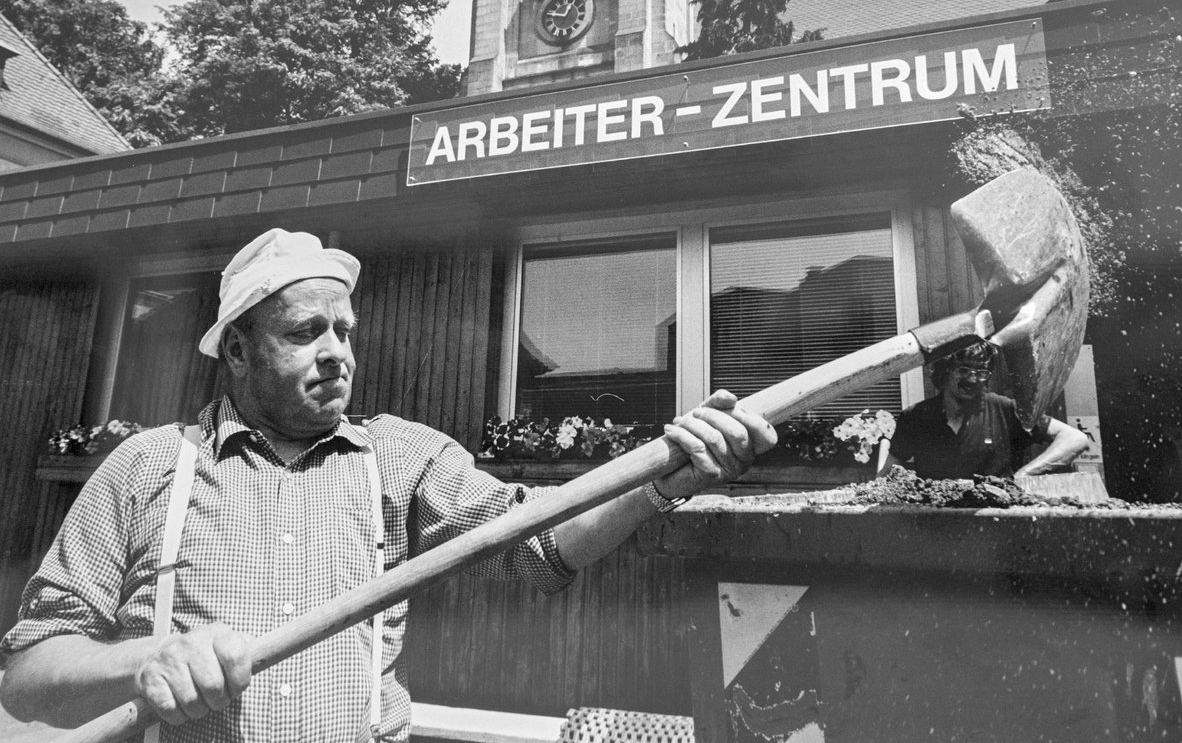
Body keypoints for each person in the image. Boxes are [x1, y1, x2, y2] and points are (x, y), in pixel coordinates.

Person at [0, 229, 777, 741]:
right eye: (305, 333)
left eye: (345, 331)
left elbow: (543, 543)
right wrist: (143, 662)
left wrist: (656, 484)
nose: (337, 352)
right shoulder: (146, 468)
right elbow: (29, 677)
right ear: (236, 350)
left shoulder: (400, 459)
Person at [882, 340, 1088, 480]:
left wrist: (1022, 477)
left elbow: (1075, 439)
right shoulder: (917, 417)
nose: (972, 379)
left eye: (981, 372)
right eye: (964, 370)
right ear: (945, 371)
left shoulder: (1005, 410)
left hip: (995, 522)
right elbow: (886, 474)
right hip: (937, 525)